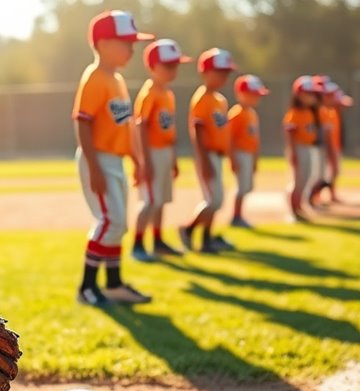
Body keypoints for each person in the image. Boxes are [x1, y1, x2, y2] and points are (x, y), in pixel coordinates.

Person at [73, 9, 156, 305]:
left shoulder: (117, 80)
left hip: (115, 159)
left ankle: (114, 283)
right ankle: (86, 287)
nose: (132, 48)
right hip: (98, 158)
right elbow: (82, 122)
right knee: (110, 221)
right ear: (104, 43)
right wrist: (94, 167)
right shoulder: (95, 78)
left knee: (119, 224)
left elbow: (126, 127)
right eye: (126, 42)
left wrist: (137, 160)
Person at [131, 39, 190, 263]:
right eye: (168, 66)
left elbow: (169, 131)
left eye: (175, 66)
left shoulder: (167, 94)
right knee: (148, 200)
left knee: (161, 199)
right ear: (153, 67)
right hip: (151, 153)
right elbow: (141, 127)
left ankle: (157, 240)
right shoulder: (150, 93)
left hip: (164, 151)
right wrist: (144, 160)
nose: (173, 71)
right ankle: (137, 244)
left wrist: (173, 159)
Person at [179, 48, 237, 254]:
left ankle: (206, 239)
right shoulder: (202, 98)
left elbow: (225, 133)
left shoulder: (221, 100)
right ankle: (188, 229)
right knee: (215, 200)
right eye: (219, 72)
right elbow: (198, 130)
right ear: (205, 72)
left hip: (218, 155)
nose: (223, 77)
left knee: (216, 200)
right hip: (207, 155)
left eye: (226, 73)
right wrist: (203, 160)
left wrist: (230, 156)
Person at [228, 74, 270, 229]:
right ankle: (236, 216)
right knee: (241, 187)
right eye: (253, 95)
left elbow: (255, 139)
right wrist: (233, 158)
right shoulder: (236, 113)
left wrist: (255, 160)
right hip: (240, 153)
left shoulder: (252, 114)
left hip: (249, 154)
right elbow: (230, 138)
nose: (256, 98)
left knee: (247, 186)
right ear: (241, 94)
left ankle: (239, 215)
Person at [284, 75, 324, 221]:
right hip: (299, 148)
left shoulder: (310, 112)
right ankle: (293, 210)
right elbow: (290, 135)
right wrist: (293, 153)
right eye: (309, 93)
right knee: (298, 180)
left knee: (306, 179)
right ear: (299, 95)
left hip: (308, 148)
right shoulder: (294, 113)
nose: (312, 97)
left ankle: (299, 206)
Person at [310, 76, 354, 206]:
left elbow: (346, 102)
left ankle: (328, 194)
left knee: (331, 173)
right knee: (320, 175)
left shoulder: (330, 111)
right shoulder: (321, 111)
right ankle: (314, 197)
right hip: (323, 147)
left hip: (334, 144)